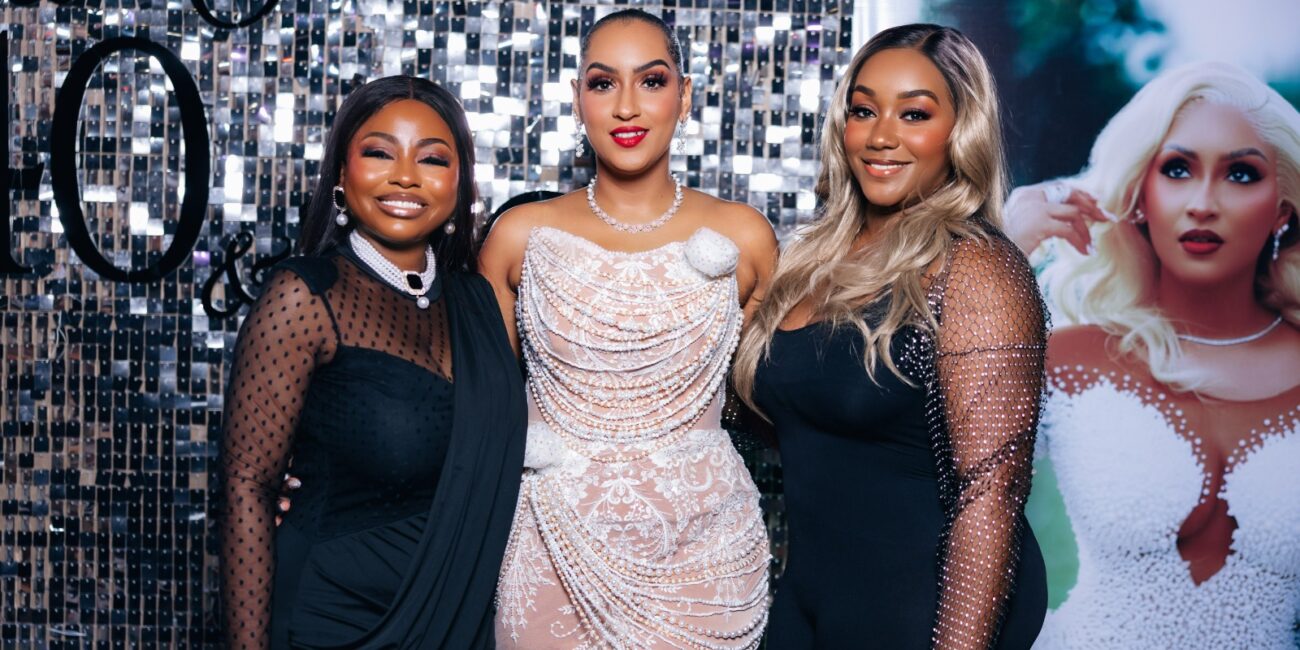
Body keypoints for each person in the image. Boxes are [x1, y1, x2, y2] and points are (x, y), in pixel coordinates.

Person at [732, 24, 1049, 649]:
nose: (881, 136)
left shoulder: (977, 267)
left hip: (927, 602)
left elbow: (995, 490)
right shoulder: (809, 261)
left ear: (960, 130)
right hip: (813, 592)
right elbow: (794, 416)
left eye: (914, 114)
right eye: (864, 110)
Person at [480, 9, 777, 648]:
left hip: (705, 560)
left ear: (684, 96)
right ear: (577, 98)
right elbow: (475, 412)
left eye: (651, 80)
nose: (626, 107)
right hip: (551, 550)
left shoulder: (745, 236)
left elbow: (777, 401)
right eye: (602, 82)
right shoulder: (518, 237)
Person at [220, 75, 526, 649]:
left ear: (460, 183)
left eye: (432, 159)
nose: (405, 176)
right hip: (332, 620)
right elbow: (247, 489)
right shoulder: (305, 297)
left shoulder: (480, 304)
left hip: (458, 620)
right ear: (341, 173)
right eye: (380, 153)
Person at [1004, 62, 1300, 649]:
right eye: (1177, 170)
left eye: (1240, 174)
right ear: (1140, 196)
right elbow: (924, 466)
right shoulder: (1070, 359)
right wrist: (1001, 255)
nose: (1203, 203)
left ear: (1282, 211)